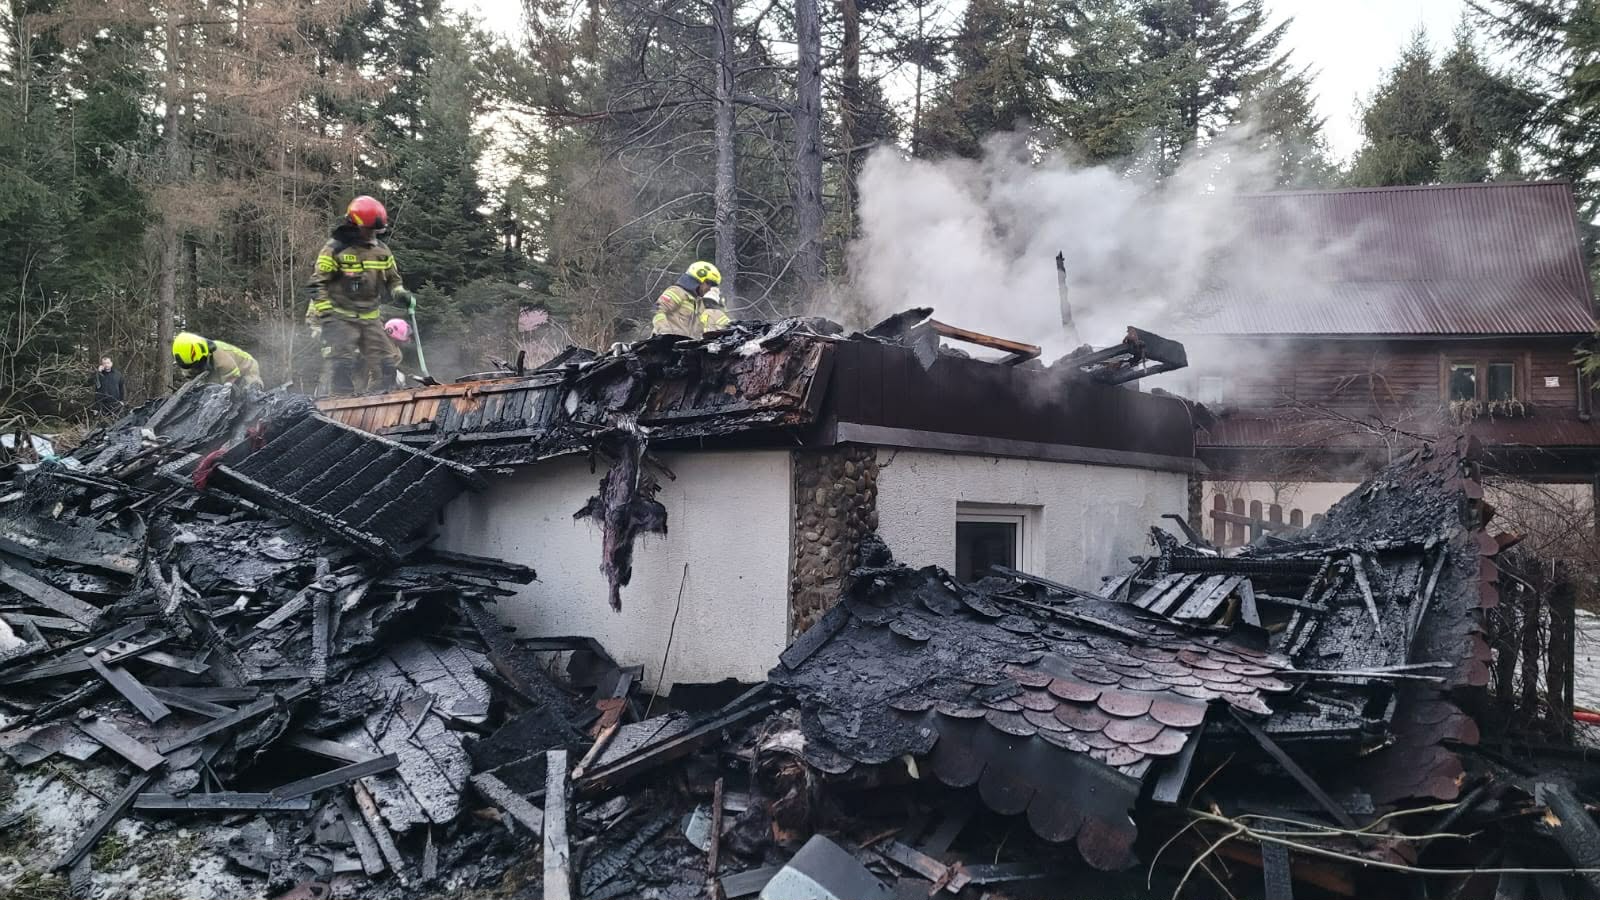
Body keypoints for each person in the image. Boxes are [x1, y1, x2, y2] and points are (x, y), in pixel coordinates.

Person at [307, 195, 412, 397]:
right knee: (342, 361)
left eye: (375, 231)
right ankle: (341, 402)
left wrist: (399, 292)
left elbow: (393, 279)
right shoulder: (334, 249)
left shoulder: (382, 251)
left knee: (386, 362)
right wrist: (326, 317)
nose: (371, 235)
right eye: (368, 230)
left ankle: (383, 402)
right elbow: (317, 284)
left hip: (370, 316)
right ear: (354, 225)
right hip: (340, 315)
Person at [651, 260, 721, 338]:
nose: (709, 289)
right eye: (708, 284)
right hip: (663, 344)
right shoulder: (677, 292)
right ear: (698, 280)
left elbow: (698, 330)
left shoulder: (699, 303)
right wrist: (665, 332)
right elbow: (657, 311)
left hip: (682, 346)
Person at [172, 332, 263, 388]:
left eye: (196, 364)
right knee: (214, 385)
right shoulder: (187, 360)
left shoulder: (219, 355)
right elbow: (191, 379)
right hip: (219, 369)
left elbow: (231, 374)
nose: (193, 368)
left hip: (246, 366)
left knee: (247, 388)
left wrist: (227, 388)